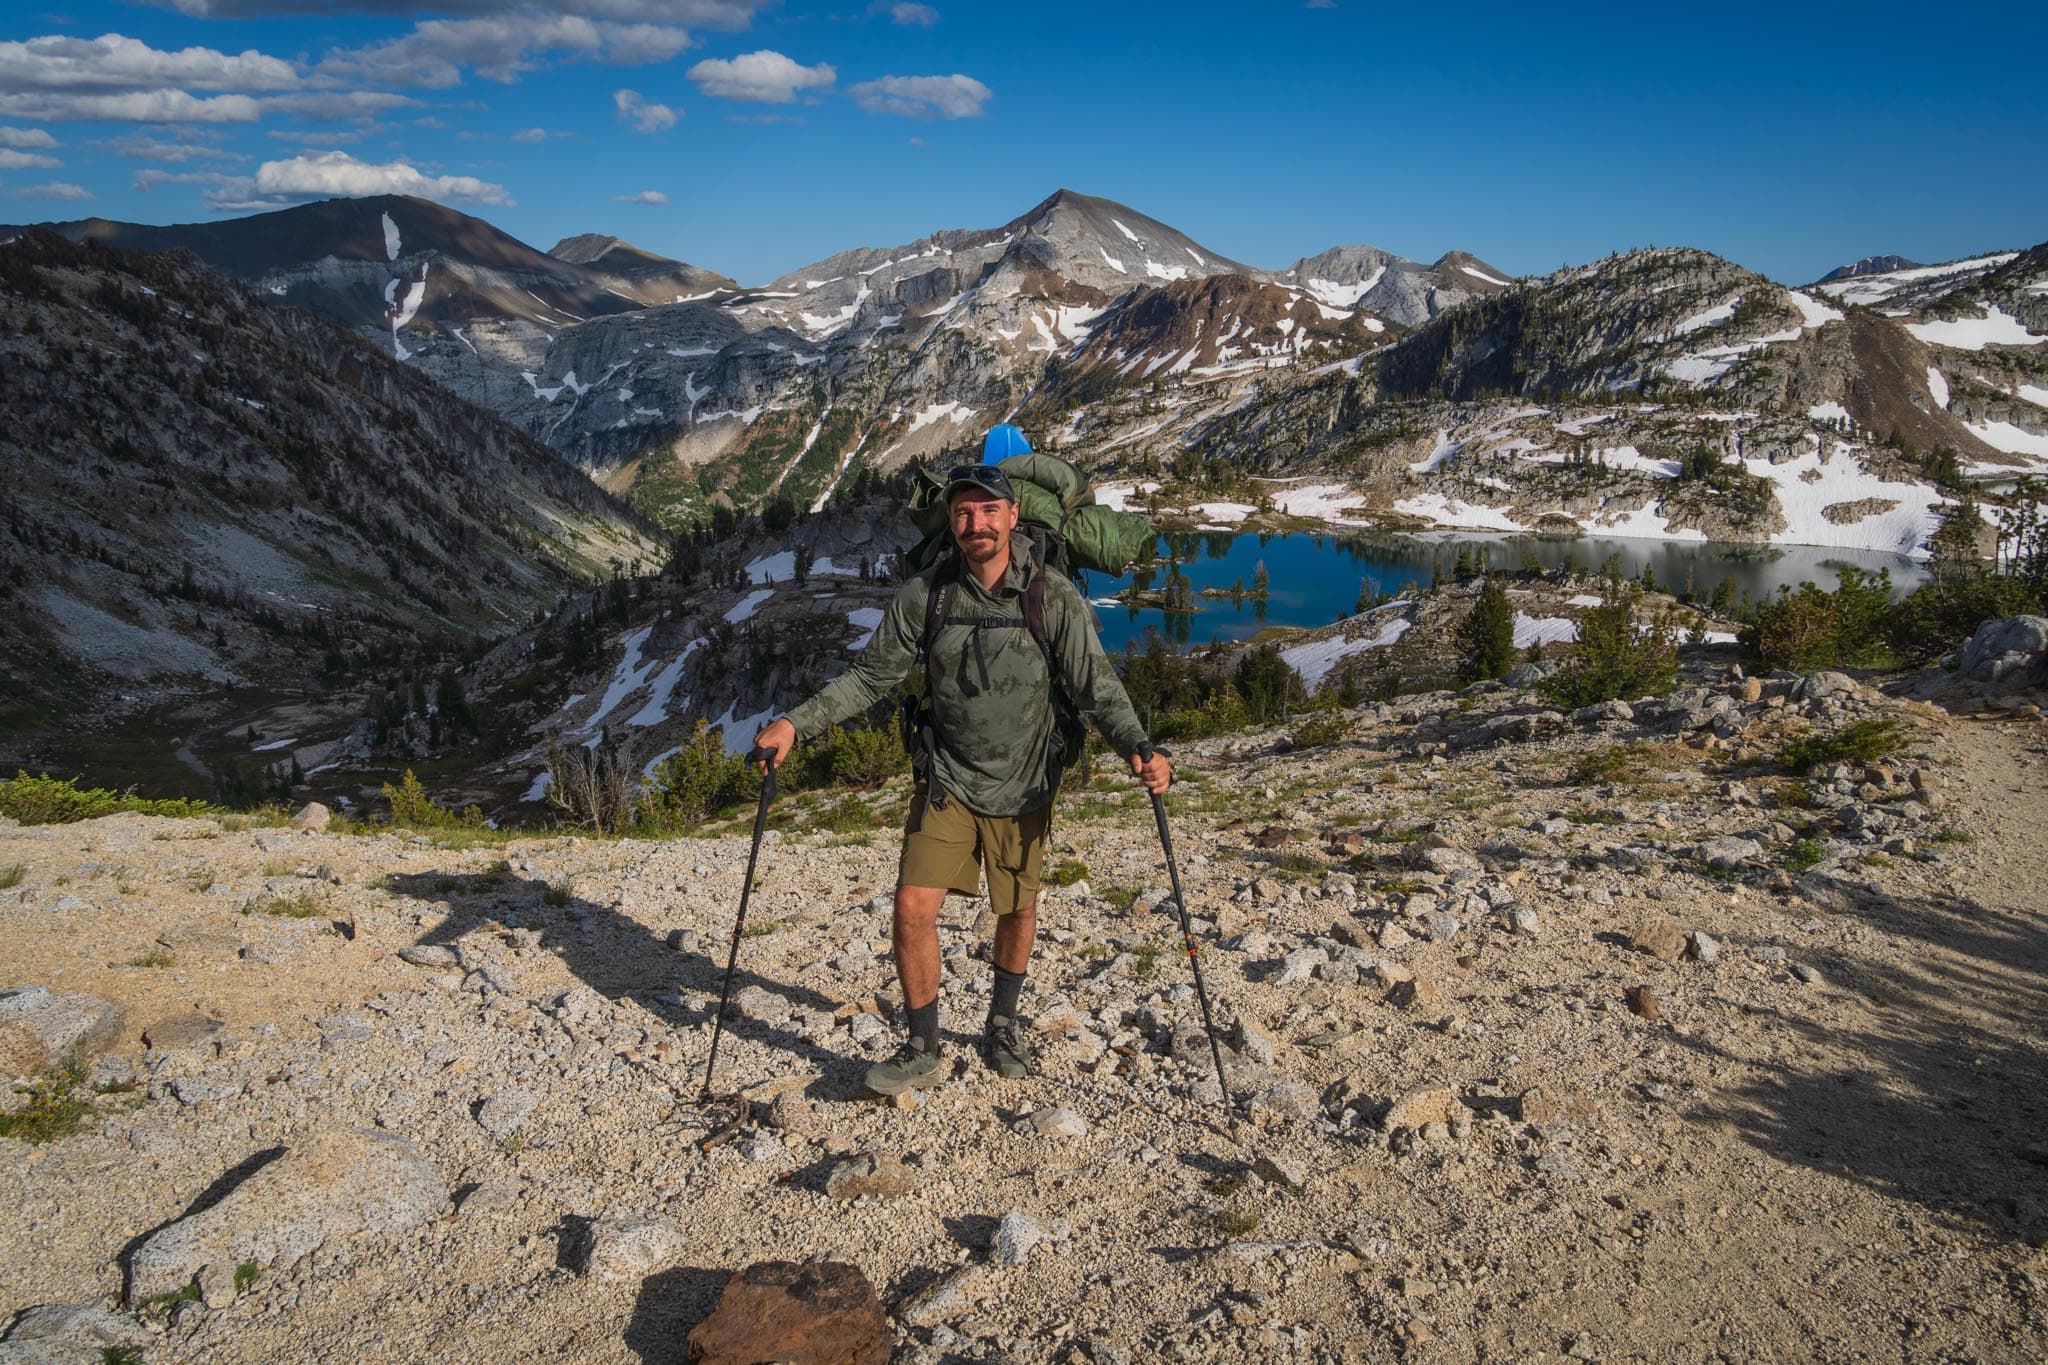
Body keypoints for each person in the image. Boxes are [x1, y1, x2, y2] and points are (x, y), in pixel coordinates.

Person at [755, 460, 1170, 1095]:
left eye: (986, 512)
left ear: (1010, 518)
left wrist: (1138, 747)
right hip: (947, 778)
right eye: (962, 514)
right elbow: (870, 679)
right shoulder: (927, 595)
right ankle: (922, 1042)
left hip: (1026, 782)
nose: (974, 524)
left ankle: (1002, 1021)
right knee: (912, 906)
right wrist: (794, 724)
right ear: (952, 524)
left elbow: (1095, 685)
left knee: (1017, 905)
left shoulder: (1049, 595)